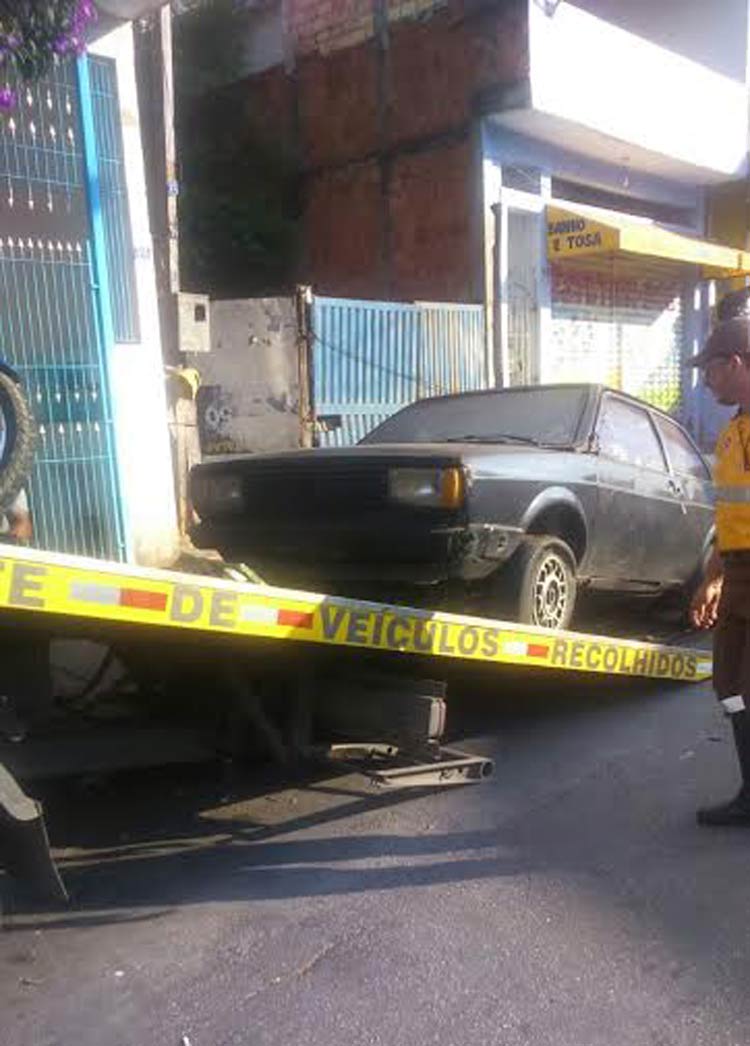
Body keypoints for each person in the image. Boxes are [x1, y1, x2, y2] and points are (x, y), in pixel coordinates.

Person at [690, 314, 750, 824]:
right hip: (738, 572)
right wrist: (714, 576)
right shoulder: (732, 433)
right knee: (728, 685)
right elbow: (730, 515)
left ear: (734, 363)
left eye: (709, 370)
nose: (705, 382)